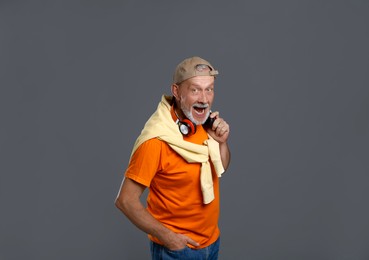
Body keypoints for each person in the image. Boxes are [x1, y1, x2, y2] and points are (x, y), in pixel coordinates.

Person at [115, 56, 231, 260]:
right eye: (195, 89)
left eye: (209, 89)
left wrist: (221, 142)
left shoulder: (203, 122)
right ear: (176, 91)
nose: (204, 99)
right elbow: (125, 200)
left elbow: (220, 167)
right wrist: (169, 238)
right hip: (177, 250)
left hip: (211, 243)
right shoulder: (156, 140)